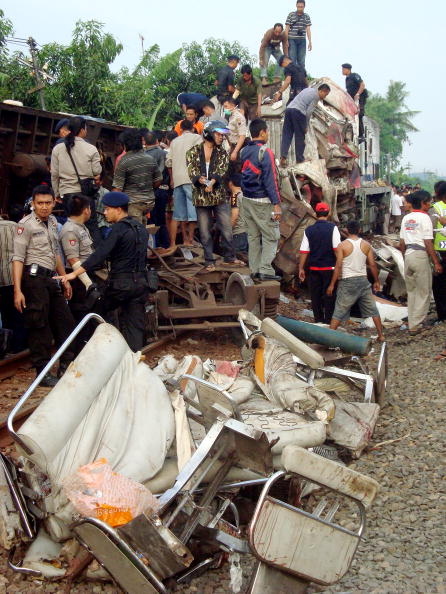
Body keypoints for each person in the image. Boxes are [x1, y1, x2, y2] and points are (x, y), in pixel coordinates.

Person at [57, 192, 150, 352]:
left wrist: (74, 274)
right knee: (134, 325)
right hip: (141, 284)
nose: (104, 212)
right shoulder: (140, 228)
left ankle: (86, 353)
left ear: (118, 210)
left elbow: (100, 255)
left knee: (93, 312)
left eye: (107, 209)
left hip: (121, 285)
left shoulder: (118, 229)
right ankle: (133, 360)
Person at [12, 185, 76, 387]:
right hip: (33, 279)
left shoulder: (53, 223)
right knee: (39, 325)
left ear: (54, 202)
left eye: (48, 203)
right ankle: (43, 372)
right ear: (33, 204)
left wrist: (64, 278)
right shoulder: (25, 225)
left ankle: (66, 364)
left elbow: (56, 253)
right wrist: (17, 290)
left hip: (51, 277)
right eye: (40, 203)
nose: (44, 207)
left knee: (64, 321)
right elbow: (18, 258)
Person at [187, 120, 244, 271]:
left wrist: (211, 183)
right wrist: (200, 180)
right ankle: (209, 260)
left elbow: (221, 171)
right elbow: (192, 172)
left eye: (222, 135)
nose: (221, 137)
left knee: (226, 228)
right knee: (204, 231)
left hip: (218, 195)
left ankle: (230, 257)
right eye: (218, 134)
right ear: (209, 134)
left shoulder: (222, 153)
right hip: (201, 197)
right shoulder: (192, 152)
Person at [327, 220, 384, 341]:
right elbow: (373, 265)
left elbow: (338, 266)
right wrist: (377, 281)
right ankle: (381, 335)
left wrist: (332, 284)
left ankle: (328, 337)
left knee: (339, 310)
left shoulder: (342, 246)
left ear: (346, 230)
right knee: (373, 310)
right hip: (363, 281)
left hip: (347, 281)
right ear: (359, 230)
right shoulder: (366, 245)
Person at [241, 119, 281, 281]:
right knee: (271, 236)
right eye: (267, 131)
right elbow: (270, 180)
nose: (268, 134)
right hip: (263, 201)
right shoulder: (266, 152)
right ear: (262, 132)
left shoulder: (244, 151)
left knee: (253, 237)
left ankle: (254, 269)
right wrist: (276, 203)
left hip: (247, 200)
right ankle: (265, 270)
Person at [51, 116, 102, 244]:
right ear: (82, 130)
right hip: (85, 194)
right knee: (91, 226)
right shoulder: (91, 149)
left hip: (67, 194)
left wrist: (57, 194)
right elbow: (97, 172)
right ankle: (96, 260)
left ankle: (73, 256)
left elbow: (55, 174)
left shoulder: (58, 148)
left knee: (71, 226)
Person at [400, 191, 442, 335]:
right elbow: (428, 242)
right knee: (424, 291)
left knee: (412, 292)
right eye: (429, 202)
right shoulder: (425, 218)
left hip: (408, 255)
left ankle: (413, 321)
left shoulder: (406, 218)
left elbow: (401, 242)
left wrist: (405, 257)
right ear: (423, 203)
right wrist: (436, 262)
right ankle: (416, 325)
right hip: (420, 255)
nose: (430, 205)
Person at [299, 202, 341, 324]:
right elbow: (337, 251)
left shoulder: (309, 230)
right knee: (329, 295)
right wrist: (340, 268)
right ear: (328, 213)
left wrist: (301, 268)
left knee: (315, 297)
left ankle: (318, 321)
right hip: (329, 269)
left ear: (316, 214)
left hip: (314, 269)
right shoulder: (333, 228)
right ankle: (328, 322)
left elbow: (304, 251)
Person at [112, 128, 162, 225]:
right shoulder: (150, 159)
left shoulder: (124, 161)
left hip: (133, 203)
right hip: (149, 202)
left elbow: (117, 189)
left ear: (125, 145)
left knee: (135, 234)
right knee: (142, 230)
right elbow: (158, 181)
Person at [166, 120, 203, 247]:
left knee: (180, 213)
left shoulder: (175, 141)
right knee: (192, 213)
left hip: (177, 180)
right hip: (191, 179)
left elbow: (168, 162)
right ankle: (190, 239)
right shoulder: (197, 138)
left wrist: (172, 179)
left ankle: (180, 241)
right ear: (193, 128)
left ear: (180, 129)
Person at [280, 84, 330, 167]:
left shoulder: (307, 89)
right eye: (326, 94)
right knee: (300, 136)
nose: (325, 97)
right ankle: (300, 159)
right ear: (321, 91)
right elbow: (309, 112)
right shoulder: (316, 96)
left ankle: (283, 157)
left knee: (287, 135)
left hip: (289, 109)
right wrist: (305, 125)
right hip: (299, 112)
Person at [431, 182, 446, 323]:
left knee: (439, 284)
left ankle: (442, 315)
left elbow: (430, 233)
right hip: (441, 251)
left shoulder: (436, 208)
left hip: (440, 251)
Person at [342, 63, 368, 140]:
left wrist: (358, 94)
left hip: (360, 97)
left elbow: (362, 85)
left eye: (343, 69)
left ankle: (361, 135)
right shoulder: (347, 78)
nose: (342, 71)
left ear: (348, 69)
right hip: (352, 99)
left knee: (359, 113)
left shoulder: (354, 76)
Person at [285, 0, 312, 69]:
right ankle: (292, 78)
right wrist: (286, 40)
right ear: (296, 6)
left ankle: (301, 77)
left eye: (301, 7)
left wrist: (310, 41)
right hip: (292, 39)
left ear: (304, 7)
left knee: (301, 61)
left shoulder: (306, 16)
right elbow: (287, 28)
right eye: (299, 6)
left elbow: (308, 29)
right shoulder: (291, 15)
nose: (300, 8)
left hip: (302, 40)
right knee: (292, 59)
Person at [228, 174, 248, 255]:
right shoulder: (245, 195)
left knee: (237, 261)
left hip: (238, 234)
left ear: (231, 183)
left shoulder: (234, 197)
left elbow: (234, 217)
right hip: (248, 233)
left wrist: (227, 233)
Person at [223, 97, 247, 163]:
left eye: (226, 106)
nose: (225, 109)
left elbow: (242, 136)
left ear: (232, 105)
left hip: (238, 147)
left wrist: (235, 152)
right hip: (232, 146)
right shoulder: (231, 116)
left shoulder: (238, 118)